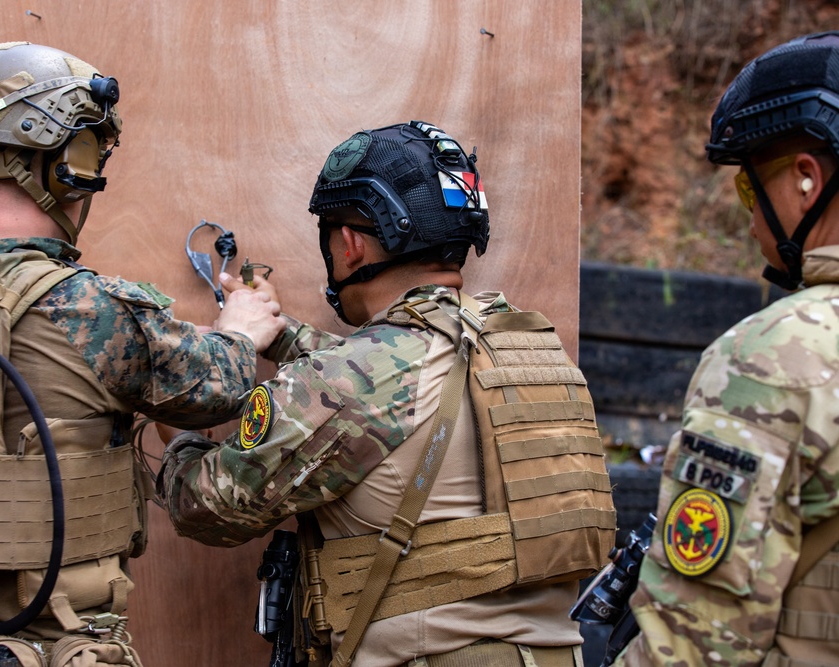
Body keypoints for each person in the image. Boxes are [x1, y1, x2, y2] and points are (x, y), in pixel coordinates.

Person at [0, 41, 283, 666]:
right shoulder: (88, 307)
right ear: (68, 163)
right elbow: (220, 388)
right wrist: (240, 329)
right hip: (44, 646)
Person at [160, 121, 616, 666]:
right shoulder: (524, 347)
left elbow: (206, 507)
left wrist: (185, 414)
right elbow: (399, 388)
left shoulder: (358, 379)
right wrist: (282, 338)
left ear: (350, 243)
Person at [613, 31, 839, 667]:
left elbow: (693, 648)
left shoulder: (775, 356)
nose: (748, 219)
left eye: (749, 190)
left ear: (804, 180)